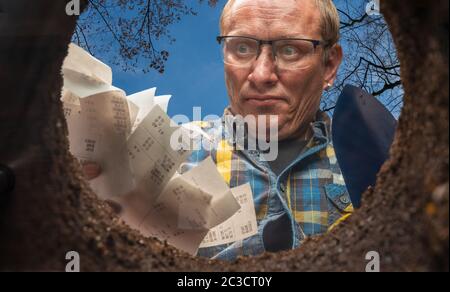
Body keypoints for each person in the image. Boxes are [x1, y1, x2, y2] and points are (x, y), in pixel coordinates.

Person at [83, 0, 353, 261]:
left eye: (290, 50)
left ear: (329, 65)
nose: (261, 75)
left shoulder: (369, 165)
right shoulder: (166, 157)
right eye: (243, 48)